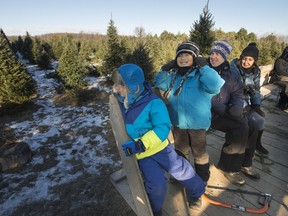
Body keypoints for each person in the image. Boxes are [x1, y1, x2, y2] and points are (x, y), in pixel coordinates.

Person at [111, 63, 205, 215]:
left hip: (161, 150)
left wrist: (140, 144)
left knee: (182, 170)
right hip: (143, 156)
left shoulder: (153, 103)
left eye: (120, 86)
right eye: (116, 85)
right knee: (156, 185)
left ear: (133, 87)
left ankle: (196, 193)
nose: (116, 89)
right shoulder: (123, 102)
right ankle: (155, 210)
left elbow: (162, 127)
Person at [153, 41, 225, 184]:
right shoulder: (173, 76)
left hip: (197, 125)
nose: (183, 58)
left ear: (195, 58)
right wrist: (164, 69)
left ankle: (202, 178)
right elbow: (159, 83)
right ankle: (182, 175)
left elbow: (215, 86)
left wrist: (204, 67)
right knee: (180, 151)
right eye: (180, 55)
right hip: (179, 123)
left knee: (199, 153)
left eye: (187, 55)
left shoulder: (201, 75)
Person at [209, 40, 260, 185]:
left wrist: (237, 106)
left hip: (227, 111)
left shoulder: (232, 73)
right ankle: (228, 167)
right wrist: (227, 110)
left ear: (225, 56)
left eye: (218, 54)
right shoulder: (205, 71)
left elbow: (238, 92)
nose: (213, 57)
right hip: (210, 114)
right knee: (241, 126)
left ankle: (245, 163)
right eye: (212, 53)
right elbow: (206, 97)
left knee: (253, 125)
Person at [230, 42, 269, 155]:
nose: (246, 62)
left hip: (246, 99)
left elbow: (256, 90)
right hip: (234, 99)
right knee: (249, 121)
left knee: (261, 118)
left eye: (250, 60)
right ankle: (243, 145)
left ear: (254, 61)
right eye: (244, 58)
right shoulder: (234, 68)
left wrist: (256, 105)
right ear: (241, 57)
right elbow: (234, 89)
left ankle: (257, 143)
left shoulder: (256, 71)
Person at [269, 46, 288, 110]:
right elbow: (280, 72)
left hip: (285, 79)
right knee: (286, 86)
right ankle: (282, 103)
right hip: (276, 79)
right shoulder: (279, 61)